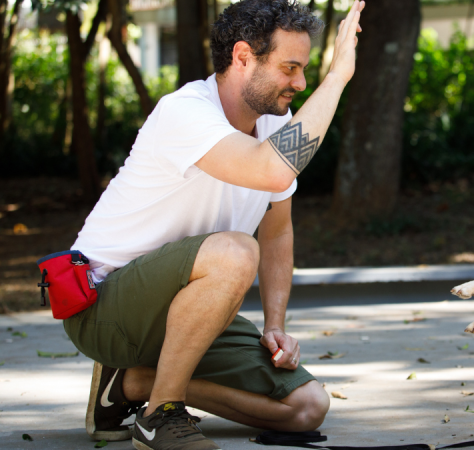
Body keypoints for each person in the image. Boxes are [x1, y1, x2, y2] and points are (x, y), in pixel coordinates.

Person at [63, 1, 365, 449]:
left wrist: (274, 323)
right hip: (105, 308)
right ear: (243, 57)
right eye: (289, 67)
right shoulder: (185, 112)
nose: (299, 83)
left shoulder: (273, 124)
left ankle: (132, 386)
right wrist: (336, 78)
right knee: (236, 251)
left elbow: (278, 229)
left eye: (304, 70)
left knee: (306, 407)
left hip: (190, 314)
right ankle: (159, 417)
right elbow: (273, 171)